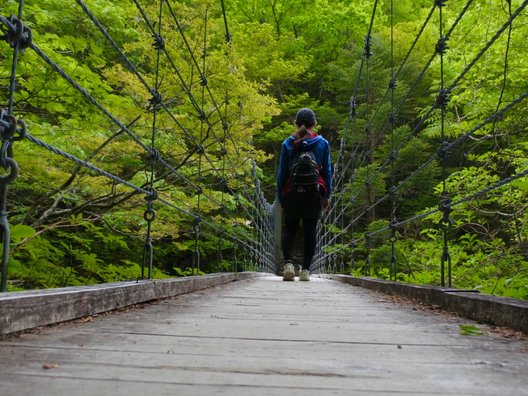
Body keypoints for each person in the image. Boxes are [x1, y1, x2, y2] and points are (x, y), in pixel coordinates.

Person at [277, 108, 332, 281]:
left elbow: (281, 173)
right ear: (314, 123)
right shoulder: (322, 143)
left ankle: (288, 265)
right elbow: (327, 172)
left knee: (290, 229)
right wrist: (326, 195)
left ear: (296, 123)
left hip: (292, 192)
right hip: (314, 192)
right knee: (310, 231)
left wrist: (281, 196)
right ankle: (306, 271)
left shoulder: (288, 143)